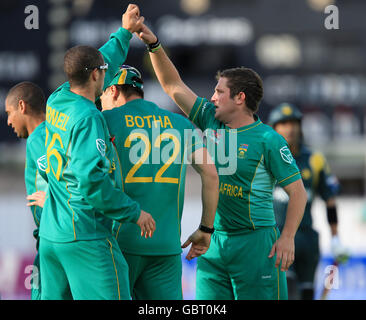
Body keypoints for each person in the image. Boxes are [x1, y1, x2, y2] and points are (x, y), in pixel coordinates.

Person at [134, 22, 308, 300]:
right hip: (212, 242)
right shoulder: (209, 119)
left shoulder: (268, 140)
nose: (212, 97)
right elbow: (172, 85)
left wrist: (287, 237)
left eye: (219, 92)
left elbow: (297, 192)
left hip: (256, 244)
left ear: (240, 98)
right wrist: (153, 44)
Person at [38, 5, 156, 300]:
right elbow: (92, 183)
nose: (108, 74)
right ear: (94, 76)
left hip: (53, 235)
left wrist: (125, 32)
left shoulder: (57, 98)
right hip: (86, 235)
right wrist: (134, 212)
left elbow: (104, 60)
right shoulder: (89, 118)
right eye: (103, 72)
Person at [100, 65, 219, 300]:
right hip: (166, 247)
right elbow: (211, 174)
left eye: (101, 94)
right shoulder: (181, 123)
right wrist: (206, 229)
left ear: (112, 90)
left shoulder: (105, 120)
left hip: (119, 244)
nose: (100, 101)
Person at [268, 102, 348, 300]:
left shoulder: (315, 159)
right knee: (287, 288)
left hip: (307, 238)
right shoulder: (265, 157)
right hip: (276, 236)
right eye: (283, 123)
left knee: (306, 293)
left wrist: (336, 238)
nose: (290, 128)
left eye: (293, 122)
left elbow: (329, 200)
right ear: (274, 127)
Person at [5, 81, 48, 300]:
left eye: (9, 112)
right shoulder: (48, 136)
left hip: (55, 241)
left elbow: (68, 183)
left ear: (22, 106)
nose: (8, 121)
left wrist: (50, 201)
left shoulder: (40, 138)